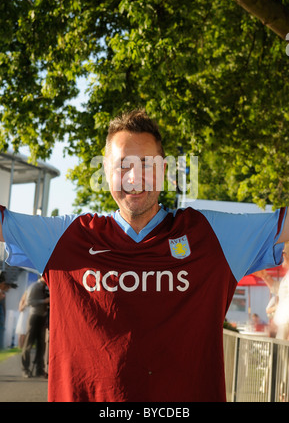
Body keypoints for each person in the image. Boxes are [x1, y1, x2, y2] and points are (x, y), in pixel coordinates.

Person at [0, 109, 289, 402]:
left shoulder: (210, 234)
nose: (135, 177)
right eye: (122, 166)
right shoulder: (68, 237)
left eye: (146, 165)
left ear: (164, 170)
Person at [254, 242, 289, 340]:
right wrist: (265, 276)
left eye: (283, 254)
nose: (282, 257)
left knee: (283, 354)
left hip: (285, 326)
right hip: (283, 325)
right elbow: (280, 290)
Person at [21, 277, 49, 378]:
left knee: (41, 345)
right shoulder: (34, 286)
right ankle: (25, 369)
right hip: (34, 317)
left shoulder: (45, 288)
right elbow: (28, 302)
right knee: (28, 344)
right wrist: (44, 301)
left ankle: (39, 369)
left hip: (43, 318)